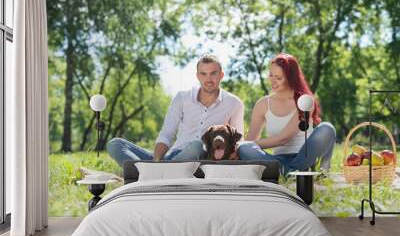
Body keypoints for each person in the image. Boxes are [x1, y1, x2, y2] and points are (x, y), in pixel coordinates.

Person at [107, 54, 244, 166]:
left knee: (197, 145)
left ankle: (148, 174)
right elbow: (167, 133)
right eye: (203, 74)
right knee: (115, 144)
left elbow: (237, 141)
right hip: (171, 157)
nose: (208, 79)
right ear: (197, 76)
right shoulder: (182, 97)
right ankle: (155, 171)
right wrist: (157, 161)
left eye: (213, 73)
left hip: (199, 158)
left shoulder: (234, 103)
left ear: (221, 75)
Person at [238, 53, 336, 175]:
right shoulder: (263, 104)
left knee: (327, 128)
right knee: (244, 149)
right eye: (271, 75)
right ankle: (293, 174)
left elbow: (283, 139)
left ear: (290, 78)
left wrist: (242, 145)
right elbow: (251, 141)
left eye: (278, 78)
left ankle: (287, 173)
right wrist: (242, 146)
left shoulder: (305, 101)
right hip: (278, 161)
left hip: (305, 158)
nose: (273, 81)